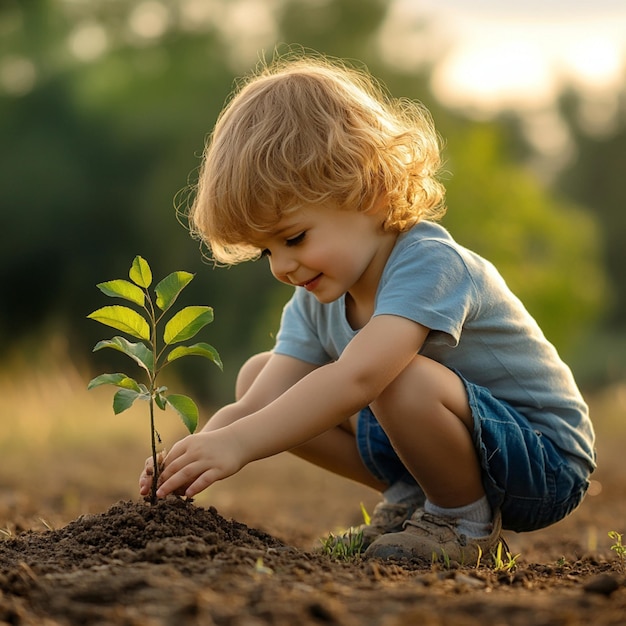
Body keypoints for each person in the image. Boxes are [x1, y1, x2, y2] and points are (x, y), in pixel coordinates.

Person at [139, 54, 596, 563]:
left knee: (393, 375)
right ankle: (415, 500)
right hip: (457, 442)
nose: (282, 266)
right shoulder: (314, 299)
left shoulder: (430, 264)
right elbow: (257, 406)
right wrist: (199, 449)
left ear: (371, 191)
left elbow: (359, 379)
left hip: (542, 461)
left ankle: (462, 523)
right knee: (257, 377)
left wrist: (240, 445)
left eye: (294, 237)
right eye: (268, 250)